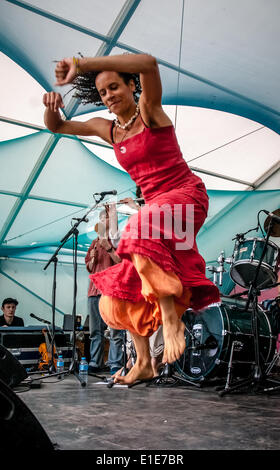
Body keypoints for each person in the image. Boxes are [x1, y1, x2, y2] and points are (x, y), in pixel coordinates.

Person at [43, 53, 220, 385]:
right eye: (104, 92)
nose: (110, 95)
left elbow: (150, 63)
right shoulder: (107, 130)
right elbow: (59, 126)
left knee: (135, 230)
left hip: (185, 201)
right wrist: (51, 108)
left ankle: (170, 319)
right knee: (118, 291)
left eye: (115, 86)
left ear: (131, 85)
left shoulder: (150, 113)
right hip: (158, 214)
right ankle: (143, 362)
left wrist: (83, 65)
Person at [85, 208, 125, 375]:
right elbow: (89, 268)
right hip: (94, 291)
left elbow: (122, 262)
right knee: (95, 331)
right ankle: (96, 362)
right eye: (101, 218)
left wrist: (108, 248)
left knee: (116, 329)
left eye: (106, 217)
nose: (103, 220)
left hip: (112, 290)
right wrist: (93, 257)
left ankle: (115, 362)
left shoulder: (117, 240)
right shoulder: (94, 242)